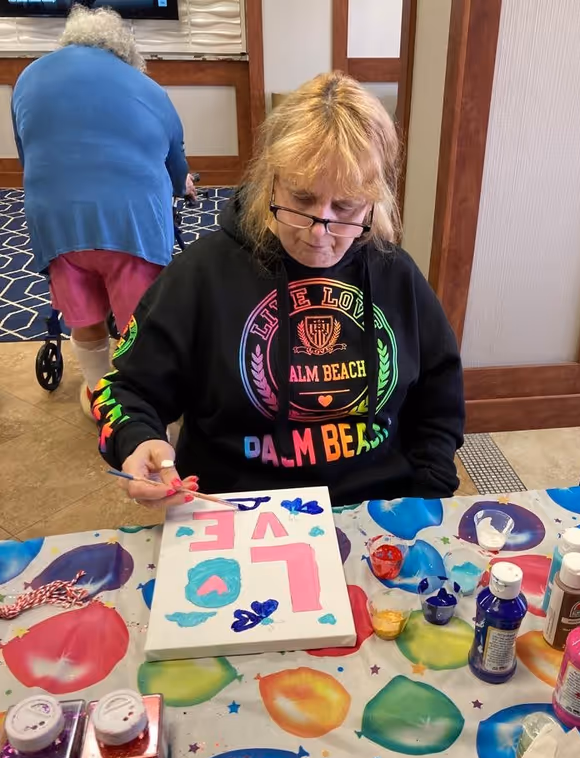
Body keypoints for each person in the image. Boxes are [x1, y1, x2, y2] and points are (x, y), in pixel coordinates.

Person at [93, 71, 465, 508]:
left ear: (375, 200)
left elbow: (439, 389)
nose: (317, 231)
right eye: (301, 199)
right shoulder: (201, 274)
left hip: (376, 508)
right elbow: (124, 388)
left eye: (344, 206)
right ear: (271, 179)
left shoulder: (395, 274)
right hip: (237, 511)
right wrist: (137, 440)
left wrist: (430, 484)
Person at [12, 5, 195, 415]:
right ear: (124, 51)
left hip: (57, 224)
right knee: (139, 322)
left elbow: (28, 155)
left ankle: (99, 392)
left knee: (83, 313)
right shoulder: (146, 87)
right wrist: (183, 182)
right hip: (132, 227)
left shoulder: (26, 79)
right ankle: (145, 405)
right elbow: (176, 161)